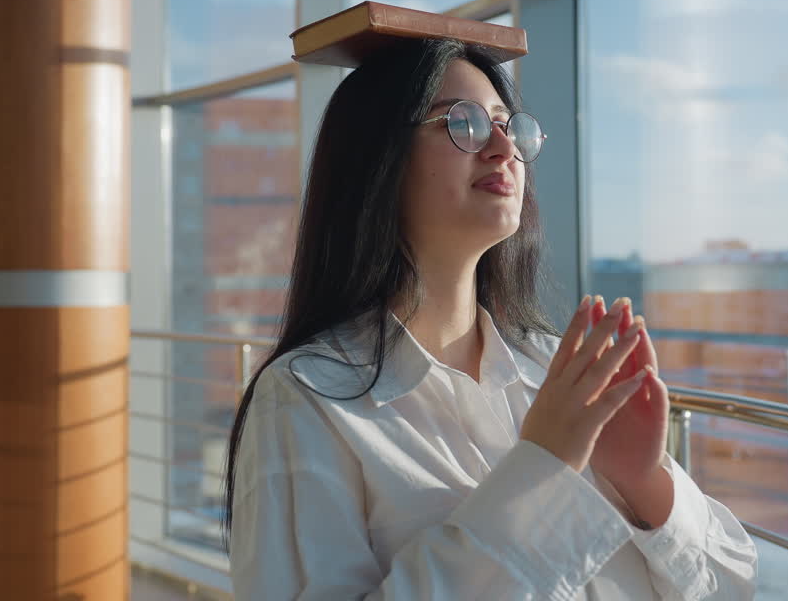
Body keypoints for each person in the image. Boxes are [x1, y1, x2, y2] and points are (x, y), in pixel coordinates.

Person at [224, 35, 758, 599]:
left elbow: (733, 580)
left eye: (510, 126)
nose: (504, 148)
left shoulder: (556, 369)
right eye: (464, 123)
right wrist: (545, 466)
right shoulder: (307, 398)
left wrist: (643, 480)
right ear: (376, 157)